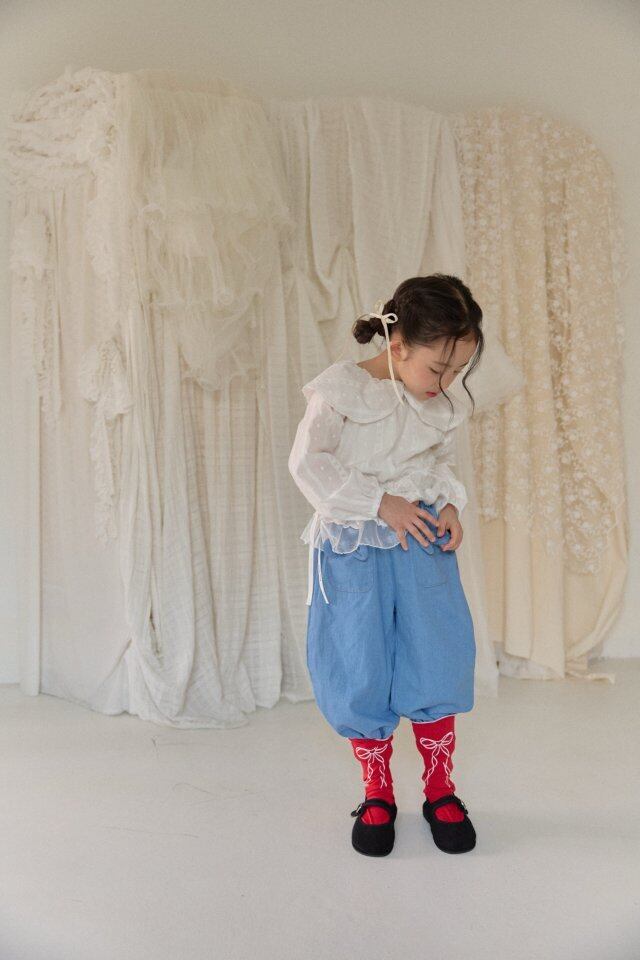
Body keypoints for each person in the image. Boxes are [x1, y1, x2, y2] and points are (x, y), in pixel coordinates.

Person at [288, 274, 485, 857]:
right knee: (358, 658)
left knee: (436, 652)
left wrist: (449, 503)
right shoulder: (341, 391)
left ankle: (440, 787)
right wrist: (379, 503)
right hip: (355, 546)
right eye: (438, 369)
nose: (445, 385)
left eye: (458, 372)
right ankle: (377, 790)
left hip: (420, 543)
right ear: (397, 346)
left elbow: (440, 462)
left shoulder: (437, 403)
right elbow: (308, 463)